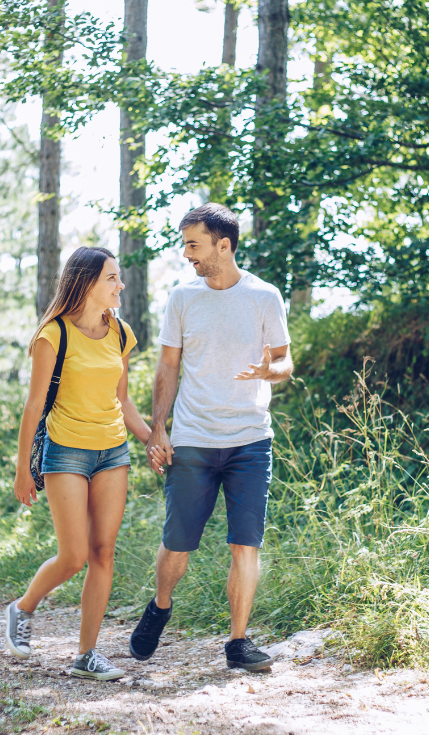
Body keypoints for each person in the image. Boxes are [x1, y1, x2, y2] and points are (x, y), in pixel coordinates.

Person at [128, 203, 293, 672]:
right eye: (185, 245)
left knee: (246, 543)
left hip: (250, 440)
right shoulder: (183, 298)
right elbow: (168, 366)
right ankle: (161, 605)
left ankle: (238, 642)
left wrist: (271, 371)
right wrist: (158, 428)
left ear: (224, 245)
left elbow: (285, 361)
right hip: (194, 438)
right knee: (177, 542)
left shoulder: (265, 296)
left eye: (193, 245)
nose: (187, 254)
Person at [6, 246, 151, 681]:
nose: (120, 284)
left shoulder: (121, 333)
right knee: (73, 556)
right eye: (111, 277)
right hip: (66, 451)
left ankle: (86, 654)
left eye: (118, 276)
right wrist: (22, 470)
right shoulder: (53, 335)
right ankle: (22, 608)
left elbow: (123, 400)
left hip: (113, 453)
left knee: (103, 552)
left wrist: (152, 441)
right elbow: (34, 406)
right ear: (87, 283)